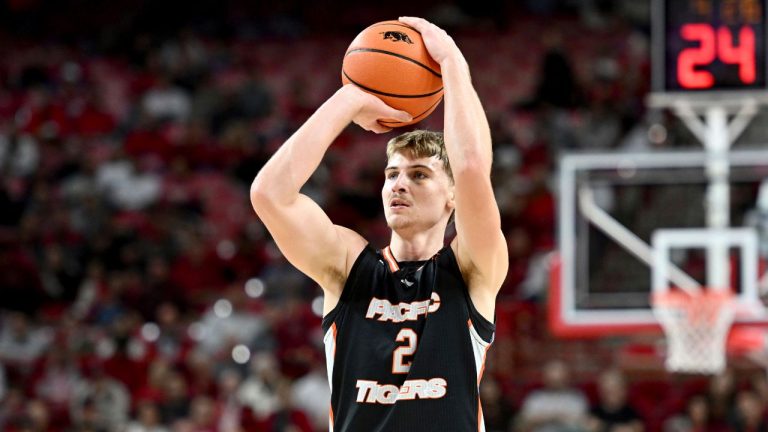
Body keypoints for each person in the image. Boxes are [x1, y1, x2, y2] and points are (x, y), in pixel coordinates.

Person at [250, 16, 508, 432]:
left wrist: (453, 64)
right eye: (391, 174)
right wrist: (348, 100)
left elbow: (473, 168)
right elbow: (269, 195)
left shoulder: (470, 267)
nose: (399, 185)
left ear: (452, 196)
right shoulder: (349, 265)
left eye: (419, 175)